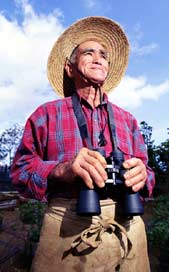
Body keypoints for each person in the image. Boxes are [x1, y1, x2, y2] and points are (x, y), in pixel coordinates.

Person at [11, 16, 155, 272]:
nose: (98, 57)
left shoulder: (128, 120)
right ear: (70, 67)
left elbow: (148, 172)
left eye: (103, 54)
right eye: (88, 52)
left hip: (129, 227)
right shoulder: (46, 114)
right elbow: (20, 172)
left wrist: (143, 176)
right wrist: (62, 170)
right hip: (69, 228)